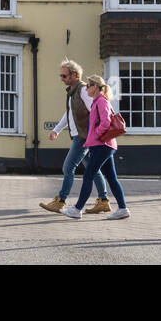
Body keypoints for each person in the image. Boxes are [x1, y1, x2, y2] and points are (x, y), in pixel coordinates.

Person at [40, 60, 110, 214]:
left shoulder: (84, 90)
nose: (62, 79)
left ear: (74, 75)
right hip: (83, 136)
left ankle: (61, 201)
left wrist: (94, 133)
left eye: (64, 75)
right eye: (61, 75)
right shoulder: (73, 91)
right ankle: (103, 201)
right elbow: (69, 114)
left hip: (83, 137)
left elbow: (96, 109)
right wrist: (57, 129)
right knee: (93, 168)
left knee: (68, 166)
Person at [61, 75, 130, 219]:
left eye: (89, 85)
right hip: (103, 145)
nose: (86, 88)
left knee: (88, 175)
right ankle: (123, 209)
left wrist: (96, 135)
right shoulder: (97, 102)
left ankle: (77, 209)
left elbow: (105, 123)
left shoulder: (101, 102)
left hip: (102, 145)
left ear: (96, 87)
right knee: (111, 178)